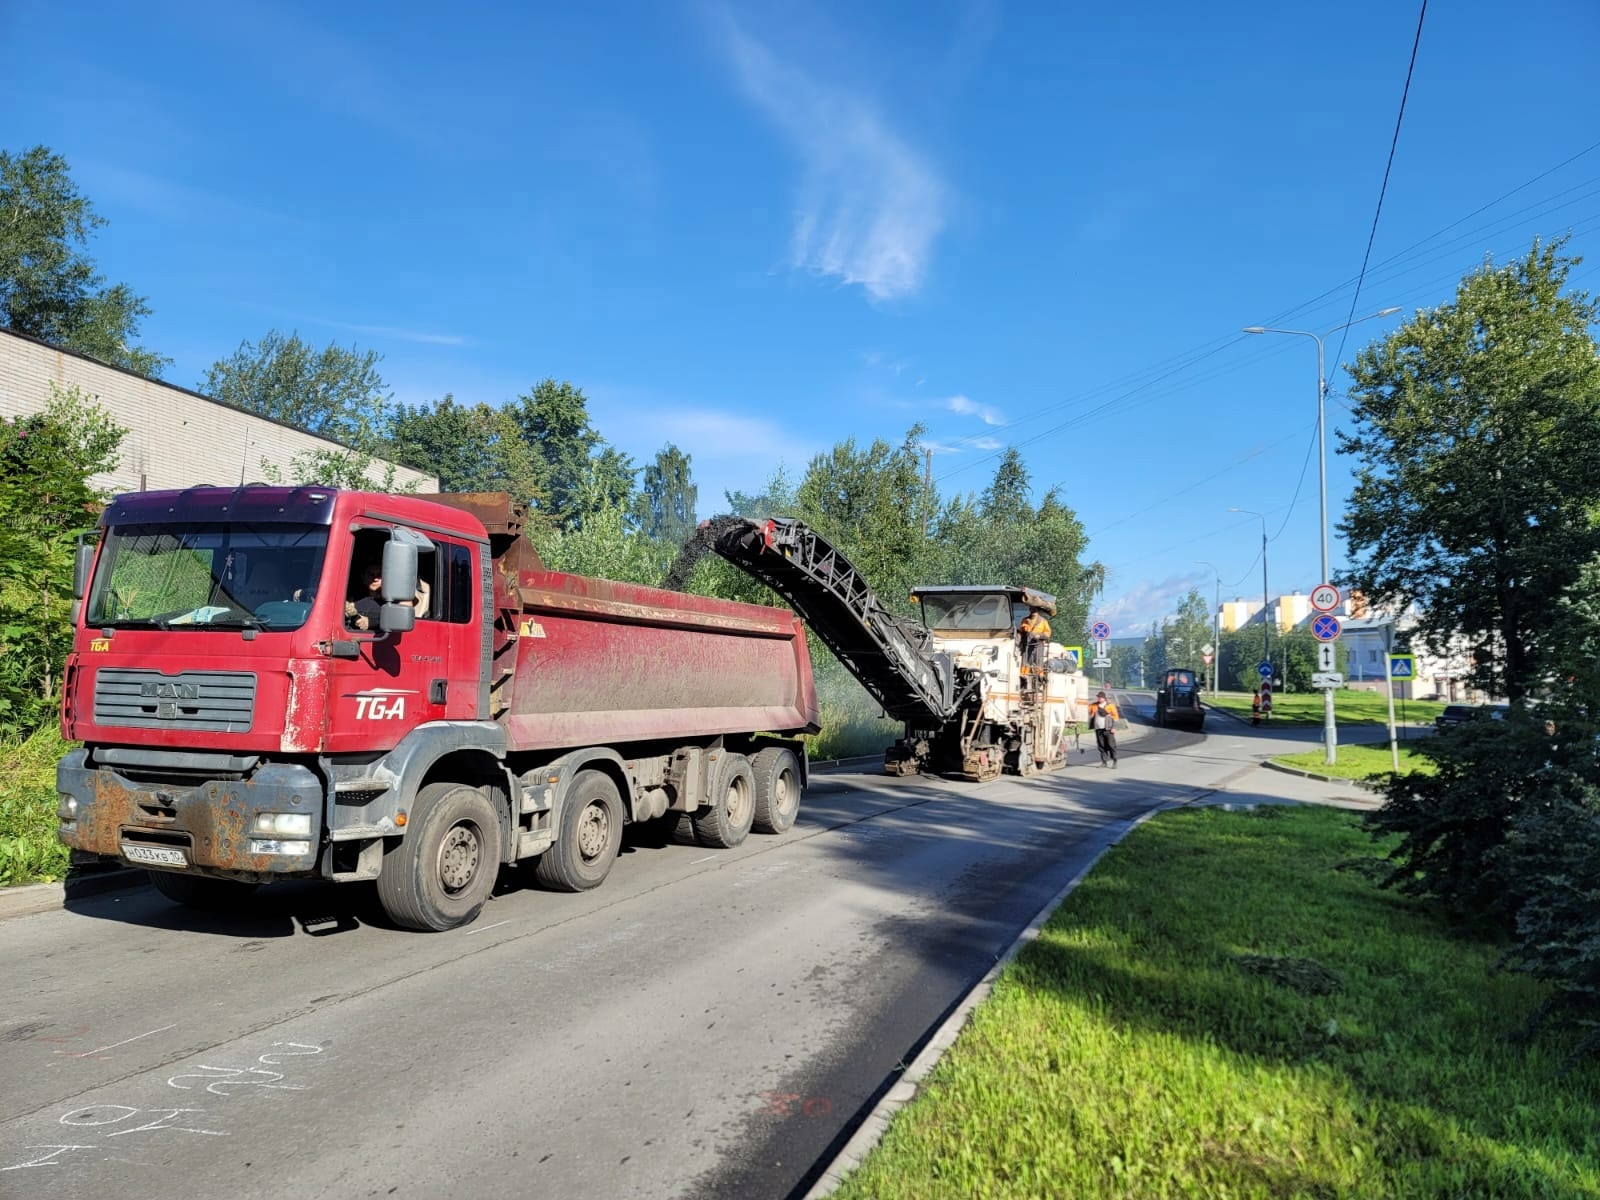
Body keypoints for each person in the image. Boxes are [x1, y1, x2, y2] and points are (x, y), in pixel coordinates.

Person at [1018, 607, 1052, 678]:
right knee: (1025, 660)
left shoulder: (1043, 621)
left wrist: (1039, 636)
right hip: (1027, 644)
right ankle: (1024, 675)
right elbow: (1020, 632)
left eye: (1035, 610)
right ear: (1029, 610)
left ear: (1038, 611)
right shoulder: (1025, 620)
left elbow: (1048, 633)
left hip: (1038, 645)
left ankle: (1039, 677)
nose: (1033, 611)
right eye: (1031, 609)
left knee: (1038, 661)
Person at [1090, 690, 1120, 768]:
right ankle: (1104, 762)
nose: (1099, 698)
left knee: (1111, 745)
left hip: (1108, 728)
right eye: (1098, 697)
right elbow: (1087, 711)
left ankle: (1115, 761)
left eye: (1100, 697)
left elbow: (1116, 717)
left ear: (1104, 698)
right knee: (1101, 745)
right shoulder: (1094, 705)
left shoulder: (1110, 705)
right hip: (1098, 728)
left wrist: (1114, 727)